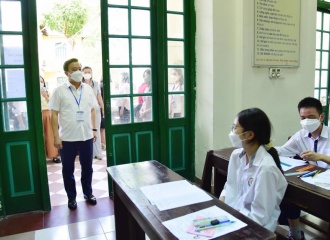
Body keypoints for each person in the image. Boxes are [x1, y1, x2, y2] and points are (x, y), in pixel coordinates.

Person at [219, 108, 287, 232]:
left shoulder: (266, 168)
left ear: (249, 135)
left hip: (254, 228)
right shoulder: (236, 156)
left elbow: (260, 217)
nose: (232, 132)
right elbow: (229, 186)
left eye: (235, 128)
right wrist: (221, 205)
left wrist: (231, 224)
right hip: (232, 217)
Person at [276, 97, 330, 240]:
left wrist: (320, 157)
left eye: (311, 117)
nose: (306, 121)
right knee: (288, 190)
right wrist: (264, 146)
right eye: (303, 117)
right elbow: (283, 150)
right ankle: (295, 233)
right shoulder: (301, 135)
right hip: (311, 180)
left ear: (321, 116)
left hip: (327, 184)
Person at [48, 58, 98, 210]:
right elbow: (54, 114)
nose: (78, 71)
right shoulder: (59, 90)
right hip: (67, 138)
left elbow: (93, 109)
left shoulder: (88, 89)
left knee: (87, 167)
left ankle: (88, 193)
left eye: (80, 68)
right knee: (68, 169)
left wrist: (94, 129)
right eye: (74, 69)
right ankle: (71, 197)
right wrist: (56, 136)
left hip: (86, 136)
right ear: (67, 73)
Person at [82, 66, 104, 160]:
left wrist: (103, 108)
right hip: (84, 110)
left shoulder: (95, 84)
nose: (87, 73)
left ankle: (98, 153)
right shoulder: (80, 84)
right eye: (85, 72)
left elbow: (99, 96)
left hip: (95, 109)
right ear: (82, 73)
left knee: (96, 131)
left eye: (89, 72)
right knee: (86, 131)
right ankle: (88, 153)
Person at [40, 76, 61, 163]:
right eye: (39, 81)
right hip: (38, 114)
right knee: (41, 136)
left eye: (42, 81)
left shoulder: (48, 92)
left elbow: (52, 104)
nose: (41, 83)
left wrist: (45, 96)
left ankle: (53, 155)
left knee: (50, 135)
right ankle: (42, 156)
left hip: (47, 113)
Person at [99, 77, 106, 150]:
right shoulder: (102, 86)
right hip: (101, 109)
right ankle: (103, 144)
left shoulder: (100, 85)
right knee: (102, 129)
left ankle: (103, 144)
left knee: (102, 129)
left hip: (101, 109)